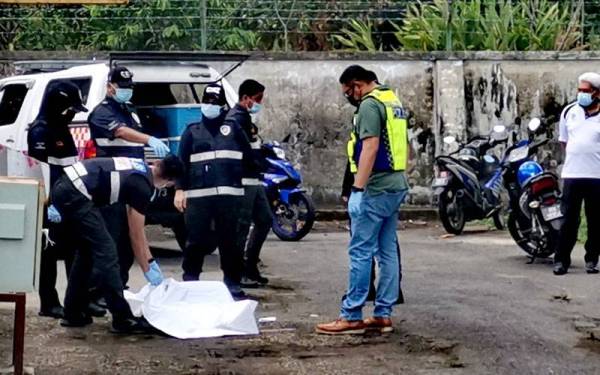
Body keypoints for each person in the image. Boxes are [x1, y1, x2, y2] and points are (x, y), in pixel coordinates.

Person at [317, 65, 409, 335]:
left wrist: (357, 190)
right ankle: (383, 314)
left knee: (361, 251)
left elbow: (370, 147)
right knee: (387, 251)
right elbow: (403, 145)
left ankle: (351, 314)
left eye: (349, 91)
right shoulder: (392, 100)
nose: (350, 96)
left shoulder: (369, 105)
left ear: (357, 84)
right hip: (396, 185)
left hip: (375, 188)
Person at [50, 155, 183, 332]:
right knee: (107, 253)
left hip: (67, 185)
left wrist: (148, 262)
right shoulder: (143, 186)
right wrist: (148, 267)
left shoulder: (140, 170)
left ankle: (73, 312)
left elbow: (133, 225)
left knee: (87, 251)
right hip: (76, 192)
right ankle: (122, 318)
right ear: (169, 182)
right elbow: (136, 234)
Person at [88, 66, 170, 287]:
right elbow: (121, 132)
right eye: (122, 87)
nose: (126, 91)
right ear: (110, 87)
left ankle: (119, 287)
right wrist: (148, 139)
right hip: (111, 187)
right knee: (108, 243)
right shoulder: (102, 112)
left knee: (125, 245)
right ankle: (98, 292)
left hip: (130, 186)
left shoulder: (129, 110)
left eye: (129, 87)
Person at [174, 84, 253, 299]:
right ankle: (190, 280)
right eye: (206, 102)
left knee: (230, 241)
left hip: (229, 197)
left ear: (222, 106)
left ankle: (232, 283)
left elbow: (249, 158)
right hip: (199, 198)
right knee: (195, 242)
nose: (209, 106)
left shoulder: (233, 129)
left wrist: (247, 183)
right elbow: (182, 163)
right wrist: (179, 190)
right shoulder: (192, 131)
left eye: (214, 103)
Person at [27, 81, 87, 319]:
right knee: (48, 255)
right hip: (50, 205)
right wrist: (49, 203)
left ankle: (76, 301)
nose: (71, 113)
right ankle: (48, 302)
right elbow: (40, 171)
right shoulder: (40, 131)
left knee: (75, 252)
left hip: (69, 202)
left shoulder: (62, 129)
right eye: (69, 108)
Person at [224, 79, 272, 287]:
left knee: (265, 220)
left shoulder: (244, 119)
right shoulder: (235, 119)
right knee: (241, 227)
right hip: (243, 179)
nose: (260, 103)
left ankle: (250, 265)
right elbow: (242, 151)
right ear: (245, 98)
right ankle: (237, 273)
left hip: (254, 178)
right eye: (257, 99)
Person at [554, 72, 600, 275]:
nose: (581, 94)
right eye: (579, 90)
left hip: (597, 176)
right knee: (568, 221)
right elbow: (564, 141)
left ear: (596, 93)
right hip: (572, 174)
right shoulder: (569, 112)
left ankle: (592, 259)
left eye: (585, 91)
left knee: (596, 221)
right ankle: (561, 261)